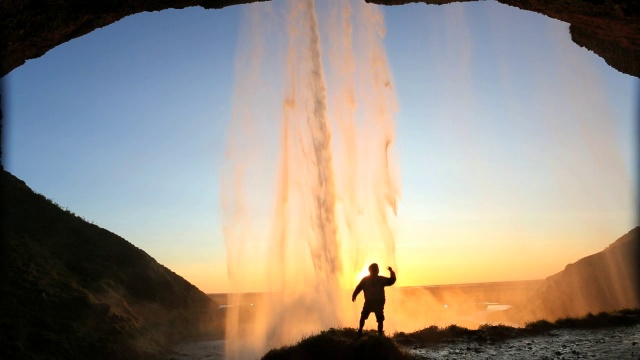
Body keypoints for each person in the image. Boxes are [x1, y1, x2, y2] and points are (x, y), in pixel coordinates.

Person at [352, 263, 396, 337]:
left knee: (376, 319)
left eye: (376, 269)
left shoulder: (370, 279)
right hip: (373, 302)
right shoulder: (374, 279)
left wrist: (354, 295)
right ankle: (363, 331)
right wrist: (354, 295)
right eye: (375, 269)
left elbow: (391, 281)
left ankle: (366, 332)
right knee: (371, 318)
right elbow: (392, 280)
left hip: (375, 302)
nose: (376, 271)